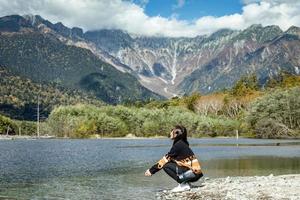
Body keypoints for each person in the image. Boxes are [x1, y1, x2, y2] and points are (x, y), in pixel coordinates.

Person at [145, 125, 203, 192]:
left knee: (165, 165)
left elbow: (165, 160)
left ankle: (183, 184)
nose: (170, 133)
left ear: (176, 133)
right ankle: (186, 183)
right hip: (195, 174)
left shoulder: (178, 145)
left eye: (172, 131)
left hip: (192, 174)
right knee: (171, 162)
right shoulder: (183, 143)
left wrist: (151, 170)